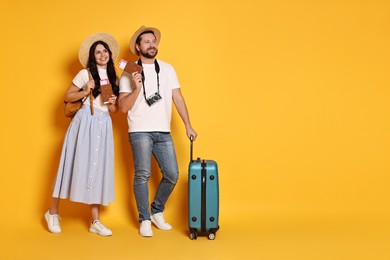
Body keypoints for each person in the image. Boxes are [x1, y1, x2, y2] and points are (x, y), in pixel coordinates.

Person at [118, 26, 197, 237]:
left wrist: (188, 125)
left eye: (154, 41)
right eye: (146, 41)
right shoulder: (129, 72)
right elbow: (123, 107)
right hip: (140, 130)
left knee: (172, 174)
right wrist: (136, 88)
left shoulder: (168, 69)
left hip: (163, 131)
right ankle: (144, 219)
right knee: (142, 175)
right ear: (138, 46)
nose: (151, 44)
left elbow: (178, 98)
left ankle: (156, 211)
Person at [44, 32, 120, 236]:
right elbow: (67, 96)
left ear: (110, 54)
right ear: (92, 57)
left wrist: (113, 104)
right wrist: (86, 90)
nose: (102, 54)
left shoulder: (113, 78)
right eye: (97, 52)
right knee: (69, 164)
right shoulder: (85, 74)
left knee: (97, 168)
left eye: (105, 51)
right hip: (85, 121)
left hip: (103, 124)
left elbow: (112, 110)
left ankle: (95, 221)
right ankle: (52, 212)